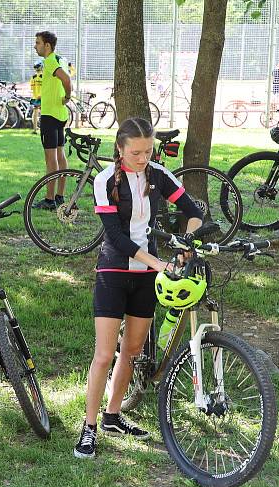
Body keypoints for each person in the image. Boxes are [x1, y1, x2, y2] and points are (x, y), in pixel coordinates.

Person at [73, 117, 203, 460]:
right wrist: (157, 262)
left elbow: (192, 211)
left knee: (131, 352)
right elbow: (115, 237)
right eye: (135, 152)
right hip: (114, 272)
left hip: (148, 276)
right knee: (104, 355)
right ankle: (88, 428)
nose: (143, 157)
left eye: (148, 151)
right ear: (120, 148)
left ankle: (112, 416)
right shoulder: (104, 180)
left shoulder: (158, 174)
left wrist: (185, 242)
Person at [31, 31, 72, 210]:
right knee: (60, 155)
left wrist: (68, 96)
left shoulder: (49, 61)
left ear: (47, 45)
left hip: (50, 116)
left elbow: (66, 79)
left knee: (51, 159)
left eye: (38, 43)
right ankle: (60, 196)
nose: (35, 46)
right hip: (60, 115)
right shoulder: (59, 59)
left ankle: (49, 200)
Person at [30, 60, 43, 134]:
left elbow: (32, 88)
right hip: (42, 97)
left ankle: (34, 129)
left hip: (35, 96)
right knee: (43, 113)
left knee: (35, 113)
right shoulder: (44, 76)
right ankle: (43, 129)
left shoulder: (33, 77)